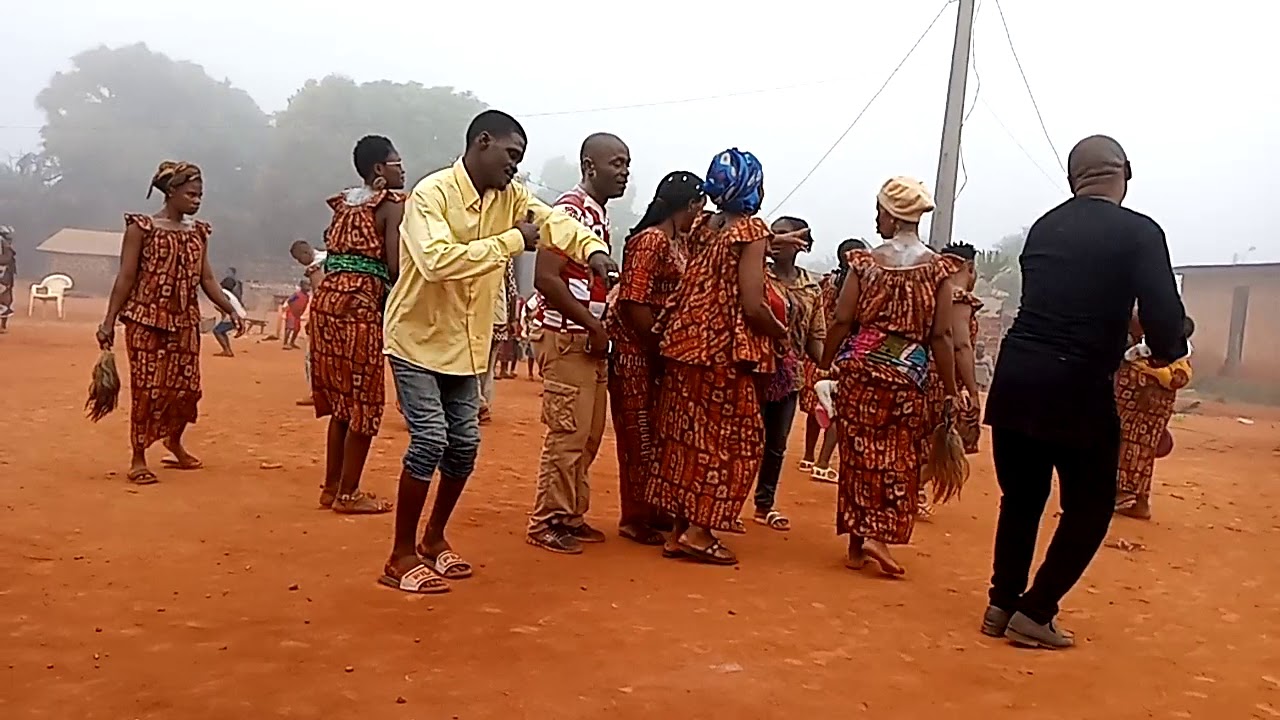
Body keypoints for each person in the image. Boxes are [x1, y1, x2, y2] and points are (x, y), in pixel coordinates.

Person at [380, 110, 618, 593]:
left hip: (466, 345)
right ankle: (399, 556)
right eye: (511, 156)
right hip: (417, 340)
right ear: (482, 142)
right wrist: (512, 241)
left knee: (463, 446)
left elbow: (553, 222)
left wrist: (591, 249)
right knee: (429, 440)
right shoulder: (432, 194)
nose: (515, 167)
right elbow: (436, 261)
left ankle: (433, 540)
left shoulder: (510, 197)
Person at [982, 135, 1186, 649]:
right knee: (1091, 505)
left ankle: (1001, 603)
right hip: (1077, 384)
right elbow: (1164, 326)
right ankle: (1036, 611)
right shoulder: (1140, 232)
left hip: (1016, 376)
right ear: (1126, 173)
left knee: (1022, 499)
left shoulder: (1045, 228)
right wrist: (1165, 339)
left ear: (1073, 179)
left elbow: (1065, 298)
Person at [645, 148, 802, 567]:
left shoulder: (705, 224)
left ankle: (679, 530)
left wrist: (772, 241)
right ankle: (701, 532)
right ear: (751, 186)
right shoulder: (749, 231)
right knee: (733, 442)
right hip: (722, 354)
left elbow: (721, 259)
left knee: (686, 437)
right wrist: (781, 334)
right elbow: (753, 303)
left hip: (684, 344)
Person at [818, 177, 963, 577]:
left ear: (889, 213)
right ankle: (877, 536)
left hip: (859, 370)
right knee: (897, 457)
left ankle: (856, 542)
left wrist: (825, 361)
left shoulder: (864, 263)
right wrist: (950, 388)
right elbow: (941, 334)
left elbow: (843, 319)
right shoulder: (938, 269)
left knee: (858, 454)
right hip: (906, 375)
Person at [96, 161, 245, 485]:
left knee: (187, 390)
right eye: (191, 193)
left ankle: (174, 441)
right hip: (144, 320)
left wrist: (230, 310)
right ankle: (138, 457)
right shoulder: (141, 228)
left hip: (184, 323)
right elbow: (126, 276)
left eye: (200, 194)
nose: (197, 200)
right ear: (171, 191)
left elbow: (207, 278)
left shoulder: (198, 233)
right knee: (146, 391)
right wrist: (108, 321)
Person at [526, 132, 630, 553]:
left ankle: (570, 513)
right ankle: (546, 520)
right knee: (567, 433)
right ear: (590, 166)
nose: (623, 172)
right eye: (616, 163)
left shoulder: (596, 213)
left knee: (587, 434)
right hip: (566, 336)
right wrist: (592, 325)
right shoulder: (570, 211)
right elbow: (545, 277)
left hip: (586, 338)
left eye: (626, 164)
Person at [607, 170, 705, 546]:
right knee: (638, 436)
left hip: (658, 353)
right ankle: (634, 517)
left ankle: (652, 508)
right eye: (698, 207)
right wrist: (656, 348)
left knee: (657, 435)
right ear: (689, 205)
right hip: (637, 353)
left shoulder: (677, 241)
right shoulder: (651, 242)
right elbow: (634, 301)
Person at [309, 134, 406, 515]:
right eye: (398, 162)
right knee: (364, 401)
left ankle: (332, 487)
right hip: (360, 308)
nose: (403, 168)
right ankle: (349, 493)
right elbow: (396, 266)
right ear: (380, 169)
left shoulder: (344, 204)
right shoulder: (391, 205)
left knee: (341, 405)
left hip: (327, 304)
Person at [753, 215, 825, 531]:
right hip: (753, 369)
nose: (777, 239)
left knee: (776, 444)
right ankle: (726, 504)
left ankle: (763, 504)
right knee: (742, 439)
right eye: (774, 233)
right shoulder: (755, 275)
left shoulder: (812, 287)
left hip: (788, 376)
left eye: (785, 235)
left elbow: (816, 340)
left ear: (802, 244)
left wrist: (835, 365)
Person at [800, 238, 867, 483]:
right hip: (845, 351)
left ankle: (808, 456)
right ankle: (822, 462)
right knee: (837, 408)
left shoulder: (827, 282)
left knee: (815, 405)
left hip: (819, 349)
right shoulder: (862, 286)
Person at [1114, 315, 1194, 519]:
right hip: (1151, 412)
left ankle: (1124, 495)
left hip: (1137, 409)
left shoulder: (1152, 352)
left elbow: (1175, 378)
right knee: (1143, 453)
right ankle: (1139, 501)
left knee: (1126, 447)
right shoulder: (1175, 354)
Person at [940, 241, 983, 454]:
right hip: (944, 384)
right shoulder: (958, 298)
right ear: (970, 268)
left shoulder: (933, 293)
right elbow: (961, 345)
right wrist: (973, 392)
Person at [478, 260, 519, 424]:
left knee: (472, 365)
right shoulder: (505, 254)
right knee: (488, 366)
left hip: (479, 316)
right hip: (498, 316)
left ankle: (479, 404)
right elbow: (512, 289)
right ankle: (483, 404)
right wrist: (512, 318)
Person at [289, 240, 328, 406]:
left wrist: (313, 320)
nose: (300, 263)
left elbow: (320, 294)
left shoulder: (315, 267)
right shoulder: (330, 256)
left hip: (326, 314)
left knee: (311, 356)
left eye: (299, 259)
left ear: (305, 253)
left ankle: (316, 394)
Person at [212, 276, 249, 357]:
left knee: (217, 331)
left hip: (233, 317)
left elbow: (224, 304)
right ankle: (227, 350)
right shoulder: (231, 294)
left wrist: (225, 314)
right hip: (239, 316)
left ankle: (227, 350)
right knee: (221, 331)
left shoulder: (223, 292)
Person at [283, 278, 311, 349]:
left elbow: (304, 305)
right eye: (306, 285)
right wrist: (291, 308)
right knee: (290, 328)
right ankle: (285, 343)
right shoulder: (297, 294)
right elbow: (290, 301)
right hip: (292, 312)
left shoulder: (307, 297)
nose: (307, 287)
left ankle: (292, 342)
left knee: (296, 329)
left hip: (298, 314)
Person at [0, 226, 16, 331]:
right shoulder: (3, 246)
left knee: (6, 301)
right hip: (3, 276)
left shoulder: (6, 246)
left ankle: (3, 325)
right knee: (4, 300)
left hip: (7, 277)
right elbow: (4, 259)